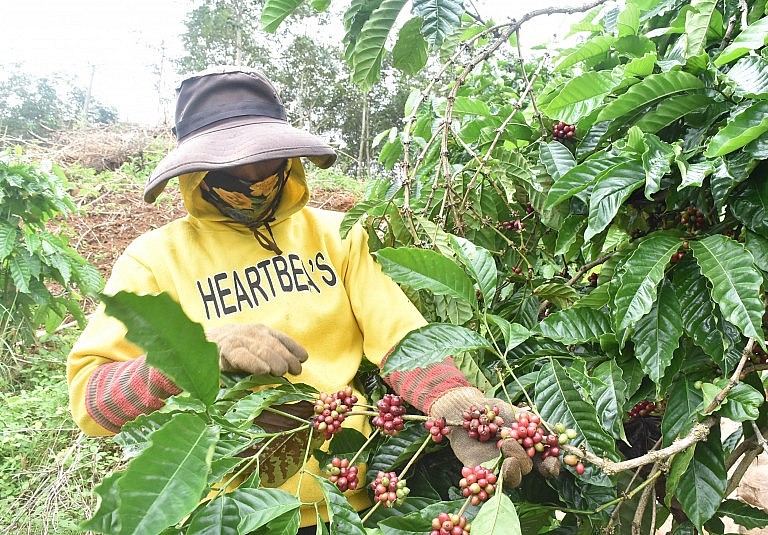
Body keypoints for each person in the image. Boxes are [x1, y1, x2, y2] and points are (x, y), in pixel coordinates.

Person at [66, 66, 531, 530]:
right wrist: (196, 351)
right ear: (197, 172)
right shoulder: (153, 261)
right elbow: (91, 403)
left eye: (265, 161)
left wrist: (453, 400)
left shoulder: (337, 235)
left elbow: (400, 340)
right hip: (228, 510)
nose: (251, 179)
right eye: (229, 167)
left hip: (345, 501)